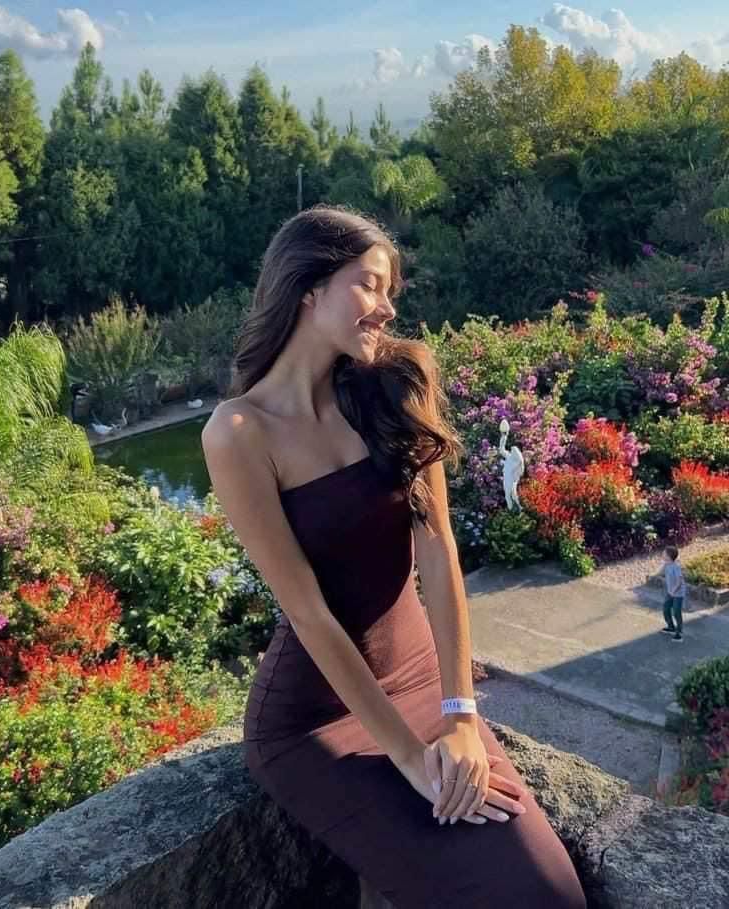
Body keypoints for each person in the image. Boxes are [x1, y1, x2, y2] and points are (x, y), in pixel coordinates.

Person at [201, 205, 586, 908]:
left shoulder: (395, 384)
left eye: (390, 292)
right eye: (370, 285)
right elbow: (310, 614)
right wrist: (409, 757)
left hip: (422, 678)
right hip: (314, 718)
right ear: (308, 286)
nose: (385, 309)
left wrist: (461, 712)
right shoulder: (237, 433)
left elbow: (438, 550)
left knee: (553, 890)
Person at [660, 545, 686, 643]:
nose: (662, 554)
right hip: (670, 592)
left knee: (676, 612)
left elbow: (679, 581)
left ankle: (679, 633)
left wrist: (673, 591)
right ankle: (671, 627)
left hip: (678, 593)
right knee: (666, 609)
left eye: (664, 553)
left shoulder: (676, 567)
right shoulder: (666, 564)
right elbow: (660, 572)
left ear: (669, 556)